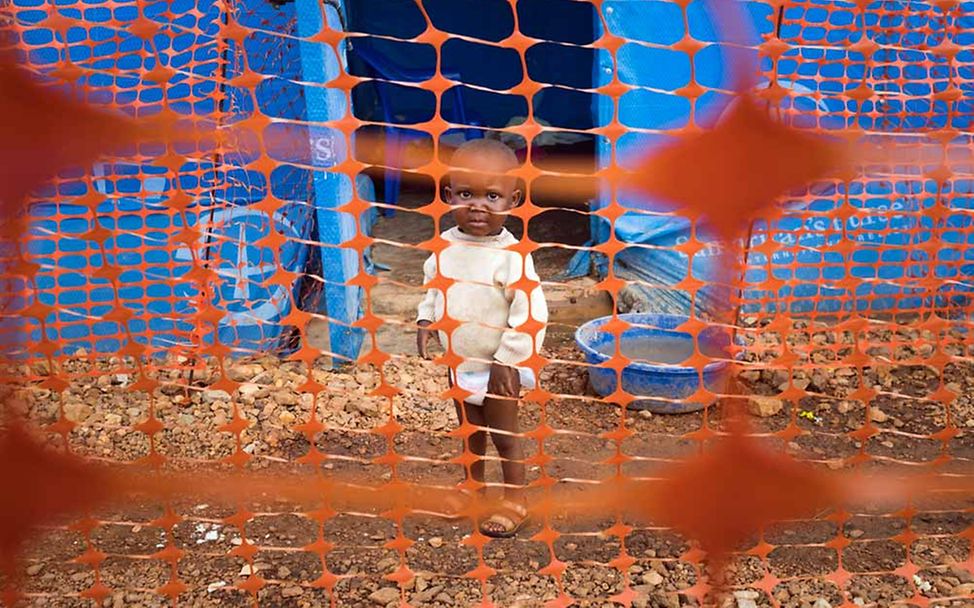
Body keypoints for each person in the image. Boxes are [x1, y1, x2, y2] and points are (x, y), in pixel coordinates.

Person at [416, 138, 547, 538]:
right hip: (460, 363)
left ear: (514, 199)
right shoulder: (444, 248)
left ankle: (515, 498)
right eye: (467, 194)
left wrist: (509, 360)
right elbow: (434, 288)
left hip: (498, 370)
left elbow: (532, 315)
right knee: (470, 432)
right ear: (448, 194)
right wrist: (425, 320)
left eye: (492, 195)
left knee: (504, 437)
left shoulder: (512, 257)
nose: (478, 206)